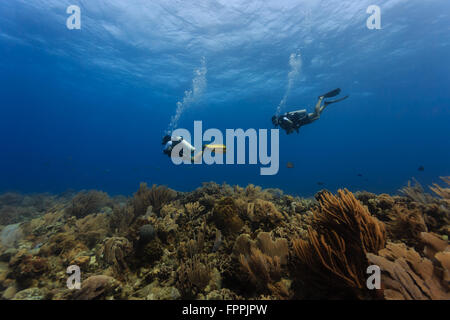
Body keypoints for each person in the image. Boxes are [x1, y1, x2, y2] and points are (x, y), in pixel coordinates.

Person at [272, 88, 349, 134]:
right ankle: (325, 104)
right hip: (302, 122)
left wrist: (291, 127)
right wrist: (291, 128)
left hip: (301, 119)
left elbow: (290, 122)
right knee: (317, 116)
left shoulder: (281, 119)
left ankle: (320, 98)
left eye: (274, 121)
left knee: (316, 114)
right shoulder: (282, 125)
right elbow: (290, 126)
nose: (274, 123)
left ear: (275, 120)